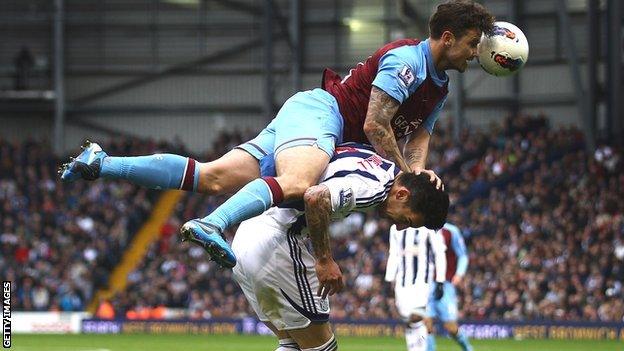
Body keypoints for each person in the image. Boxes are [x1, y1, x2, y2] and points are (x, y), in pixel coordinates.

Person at [59, 1, 493, 267]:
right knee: (300, 185)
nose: (476, 54)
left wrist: (420, 172)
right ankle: (213, 224)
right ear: (448, 37)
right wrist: (406, 177)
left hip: (311, 120)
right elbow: (374, 125)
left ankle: (102, 162)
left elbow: (418, 137)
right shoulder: (407, 63)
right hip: (324, 118)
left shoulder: (439, 83)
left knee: (210, 177)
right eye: (473, 44)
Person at [230, 143, 449, 351]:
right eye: (407, 221)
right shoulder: (377, 187)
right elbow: (315, 197)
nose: (400, 228)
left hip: (246, 234)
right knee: (323, 347)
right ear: (402, 194)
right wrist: (324, 260)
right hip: (274, 239)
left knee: (292, 345)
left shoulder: (372, 158)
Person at [385, 225, 447, 351]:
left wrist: (440, 280)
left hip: (422, 282)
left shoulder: (429, 226)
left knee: (417, 317)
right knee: (408, 319)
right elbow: (393, 254)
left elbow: (439, 252)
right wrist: (389, 279)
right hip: (402, 283)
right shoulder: (395, 228)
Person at [424, 223, 472, 351]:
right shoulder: (420, 229)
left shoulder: (451, 231)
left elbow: (463, 255)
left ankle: (468, 348)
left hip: (446, 284)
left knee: (450, 327)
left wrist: (459, 274)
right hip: (425, 284)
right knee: (425, 323)